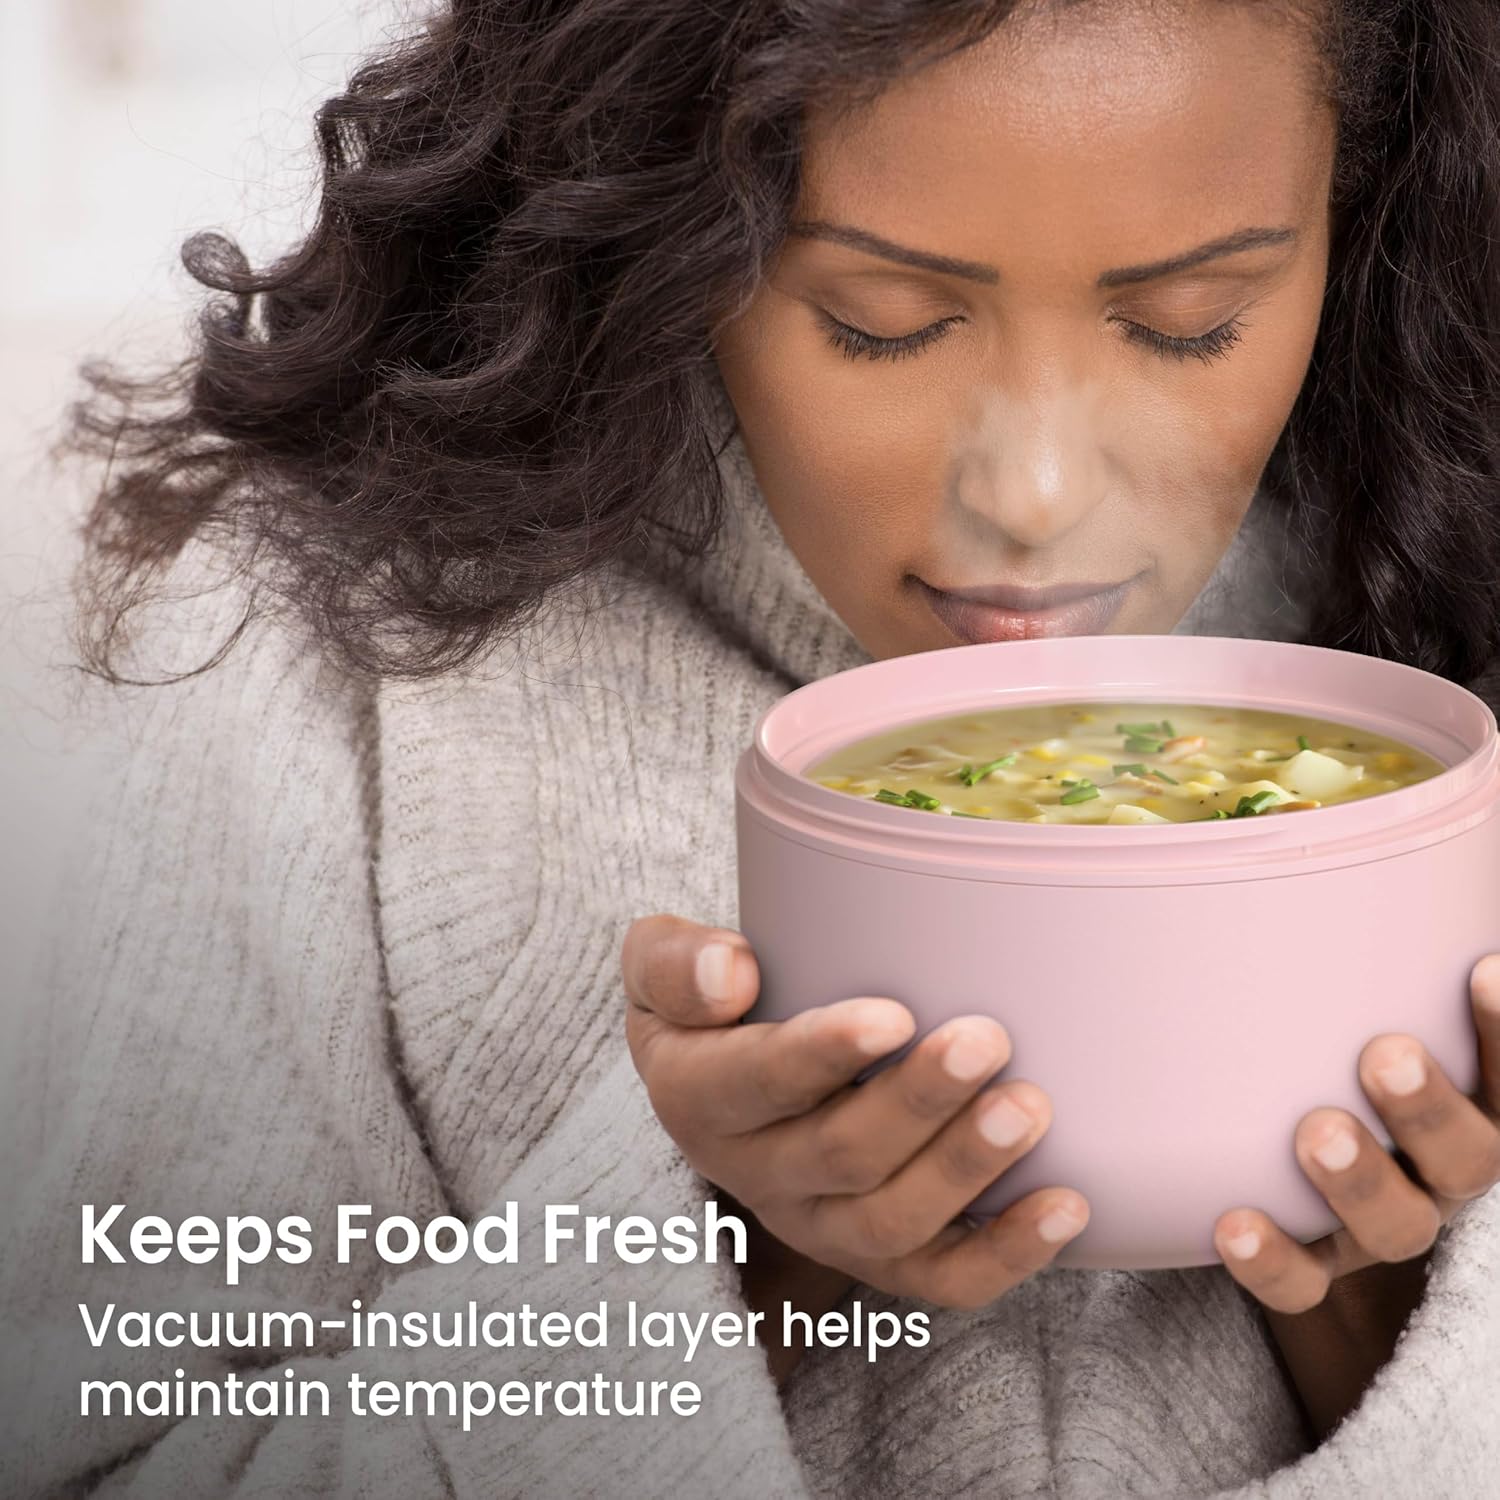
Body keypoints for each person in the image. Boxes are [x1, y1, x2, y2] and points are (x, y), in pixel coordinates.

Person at [3, 1, 1499, 1496]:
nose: (1037, 494)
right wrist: (731, 1253)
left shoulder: (1443, 606)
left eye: (1190, 319)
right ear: (670, 214)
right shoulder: (293, 656)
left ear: (1359, 203)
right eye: (882, 318)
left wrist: (1398, 1306)